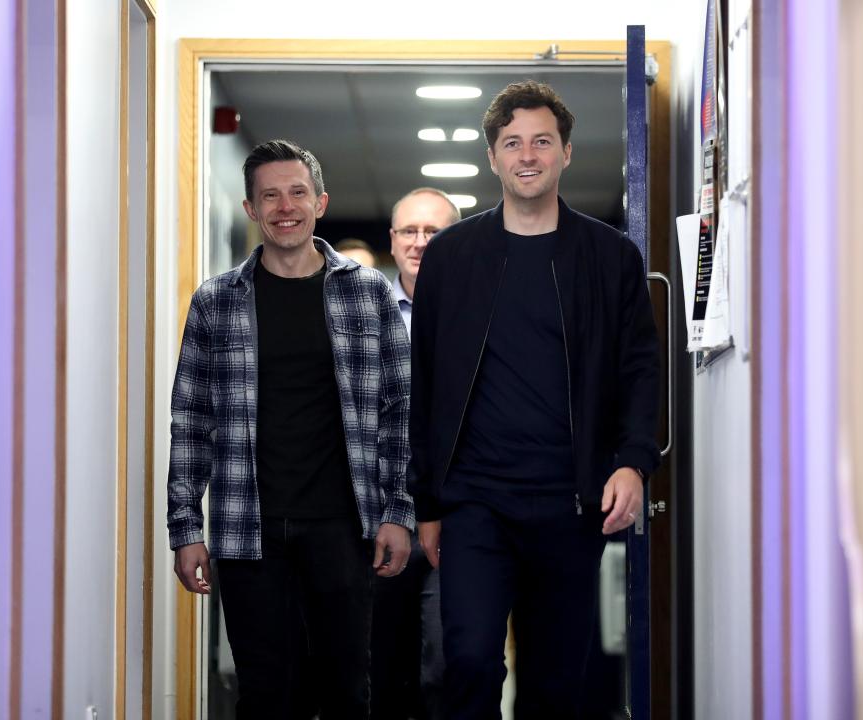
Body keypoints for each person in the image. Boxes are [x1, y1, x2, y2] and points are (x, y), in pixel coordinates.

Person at [408, 81, 660, 719]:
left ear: (566, 153)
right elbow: (427, 384)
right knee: (468, 661)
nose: (527, 155)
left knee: (554, 684)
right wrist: (427, 504)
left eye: (542, 142)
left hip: (570, 504)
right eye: (512, 142)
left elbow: (639, 369)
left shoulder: (611, 258)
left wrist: (633, 462)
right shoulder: (450, 258)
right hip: (476, 503)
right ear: (492, 156)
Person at [168, 138, 414, 720]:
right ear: (251, 208)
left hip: (343, 526)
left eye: (297, 193)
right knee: (265, 697)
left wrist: (398, 512)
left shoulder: (369, 293)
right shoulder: (215, 302)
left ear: (320, 203)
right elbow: (191, 417)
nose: (285, 207)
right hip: (248, 529)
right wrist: (185, 527)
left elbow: (400, 412)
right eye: (270, 196)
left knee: (347, 694)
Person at [371, 187, 460, 720]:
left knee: (447, 667)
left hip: (457, 517)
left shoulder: (479, 309)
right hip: (379, 518)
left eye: (434, 231)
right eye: (409, 230)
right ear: (392, 240)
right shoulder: (365, 312)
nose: (420, 242)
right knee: (382, 670)